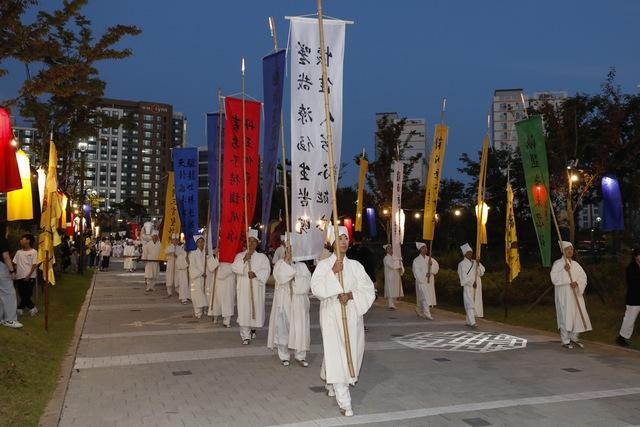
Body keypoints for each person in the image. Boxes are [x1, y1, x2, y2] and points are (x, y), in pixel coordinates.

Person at [311, 226, 375, 417]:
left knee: (351, 352)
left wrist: (350, 295)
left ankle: (330, 378)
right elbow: (316, 289)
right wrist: (332, 272)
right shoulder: (323, 265)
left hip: (353, 317)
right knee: (337, 353)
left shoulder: (356, 266)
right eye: (339, 238)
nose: (344, 242)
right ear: (332, 243)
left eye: (346, 238)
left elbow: (368, 289)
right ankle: (345, 401)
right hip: (331, 316)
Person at [268, 243, 312, 366]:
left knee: (299, 328)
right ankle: (284, 354)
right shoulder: (280, 264)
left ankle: (300, 355)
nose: (291, 252)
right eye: (289, 250)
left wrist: (295, 283)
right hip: (284, 301)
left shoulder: (302, 266)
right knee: (283, 327)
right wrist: (289, 268)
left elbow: (307, 284)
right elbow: (281, 278)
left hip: (298, 302)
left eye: (293, 249)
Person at [550, 241, 592, 349]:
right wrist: (564, 271)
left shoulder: (576, 265)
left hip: (575, 294)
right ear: (563, 251)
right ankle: (565, 340)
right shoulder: (558, 264)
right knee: (565, 315)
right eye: (567, 249)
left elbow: (583, 277)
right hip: (564, 294)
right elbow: (554, 279)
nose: (570, 251)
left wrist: (577, 283)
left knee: (578, 314)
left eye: (571, 249)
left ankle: (574, 337)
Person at [231, 229, 270, 345]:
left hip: (256, 288)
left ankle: (253, 328)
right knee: (244, 311)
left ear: (257, 244)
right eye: (250, 241)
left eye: (254, 242)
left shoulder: (262, 257)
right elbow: (234, 268)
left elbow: (266, 270)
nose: (252, 244)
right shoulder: (240, 256)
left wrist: (256, 274)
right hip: (243, 289)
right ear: (246, 243)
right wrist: (244, 260)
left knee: (255, 311)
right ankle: (245, 335)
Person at [188, 235, 217, 318]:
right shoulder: (192, 254)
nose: (201, 244)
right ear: (196, 243)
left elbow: (211, 266)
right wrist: (201, 273)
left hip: (207, 278)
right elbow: (192, 267)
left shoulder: (207, 254)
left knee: (206, 294)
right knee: (197, 295)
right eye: (199, 242)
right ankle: (198, 312)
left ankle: (205, 309)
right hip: (197, 279)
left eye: (202, 242)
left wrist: (214, 256)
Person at [0, 223, 23, 329]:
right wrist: (12, 271)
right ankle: (10, 319)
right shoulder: (3, 240)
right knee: (9, 293)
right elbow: (6, 256)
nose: (8, 232)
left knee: (1, 293)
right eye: (7, 229)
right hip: (2, 268)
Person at [457, 243, 484, 328]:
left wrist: (478, 264)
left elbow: (481, 273)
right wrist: (472, 282)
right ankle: (472, 322)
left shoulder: (475, 262)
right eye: (468, 252)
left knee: (473, 303)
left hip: (477, 286)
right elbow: (463, 277)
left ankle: (469, 320)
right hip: (469, 287)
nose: (470, 254)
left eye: (471, 252)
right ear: (464, 254)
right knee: (470, 304)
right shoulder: (461, 264)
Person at [617, 248, 640, 347]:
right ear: (635, 256)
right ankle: (622, 338)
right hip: (634, 298)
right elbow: (632, 283)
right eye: (639, 255)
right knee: (630, 318)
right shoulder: (631, 268)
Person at [13, 233, 39, 317]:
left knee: (27, 294)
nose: (20, 240)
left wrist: (28, 275)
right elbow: (15, 263)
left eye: (22, 239)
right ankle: (32, 308)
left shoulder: (34, 252)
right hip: (19, 277)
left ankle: (20, 308)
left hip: (30, 277)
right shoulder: (18, 252)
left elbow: (34, 265)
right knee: (22, 293)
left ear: (28, 240)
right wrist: (16, 273)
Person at [413, 243, 439, 319]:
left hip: (429, 281)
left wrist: (431, 267)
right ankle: (427, 314)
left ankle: (418, 309)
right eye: (423, 248)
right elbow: (416, 271)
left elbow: (436, 268)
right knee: (425, 297)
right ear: (420, 249)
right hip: (422, 282)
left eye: (426, 248)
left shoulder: (430, 259)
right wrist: (425, 274)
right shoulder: (416, 260)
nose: (425, 249)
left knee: (422, 298)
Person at [208, 257, 235, 328]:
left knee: (227, 300)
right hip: (217, 282)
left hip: (228, 282)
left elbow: (233, 268)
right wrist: (216, 258)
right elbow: (210, 268)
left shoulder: (233, 255)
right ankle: (215, 315)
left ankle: (227, 320)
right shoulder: (215, 255)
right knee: (217, 300)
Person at [383, 244, 404, 310]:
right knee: (390, 289)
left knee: (396, 289)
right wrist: (398, 266)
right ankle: (390, 304)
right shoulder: (386, 258)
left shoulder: (397, 257)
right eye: (388, 249)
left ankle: (393, 303)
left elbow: (401, 265)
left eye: (391, 248)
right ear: (386, 250)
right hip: (390, 276)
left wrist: (401, 269)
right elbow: (391, 266)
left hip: (397, 275)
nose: (390, 249)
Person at [174, 239, 190, 304]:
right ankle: (183, 298)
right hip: (183, 271)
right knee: (183, 284)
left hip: (190, 272)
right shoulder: (181, 254)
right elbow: (179, 264)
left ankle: (188, 296)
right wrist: (187, 263)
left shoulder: (191, 253)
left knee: (188, 285)